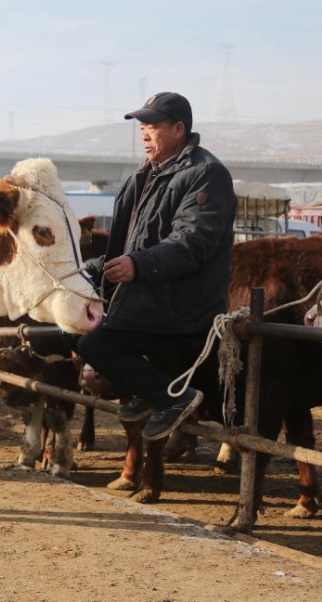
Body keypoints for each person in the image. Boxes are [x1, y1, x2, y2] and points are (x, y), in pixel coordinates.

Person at [76, 92, 236, 442]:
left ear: (179, 129)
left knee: (95, 345)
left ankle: (171, 399)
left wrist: (138, 264)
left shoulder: (206, 174)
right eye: (142, 127)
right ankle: (152, 394)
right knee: (78, 328)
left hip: (180, 306)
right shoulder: (145, 176)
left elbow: (194, 241)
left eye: (152, 126)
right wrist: (89, 268)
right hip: (150, 299)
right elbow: (129, 245)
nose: (145, 134)